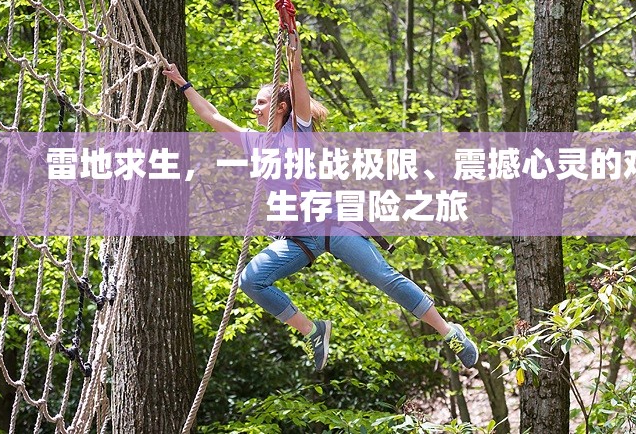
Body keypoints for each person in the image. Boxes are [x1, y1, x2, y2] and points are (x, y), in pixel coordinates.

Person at [162, 34, 478, 371]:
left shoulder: (297, 132)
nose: (254, 108)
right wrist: (183, 84)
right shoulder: (254, 142)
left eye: (260, 102)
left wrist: (294, 65)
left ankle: (449, 332)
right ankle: (314, 330)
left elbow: (299, 94)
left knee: (384, 277)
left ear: (280, 108)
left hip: (332, 225)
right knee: (251, 280)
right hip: (299, 237)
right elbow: (212, 117)